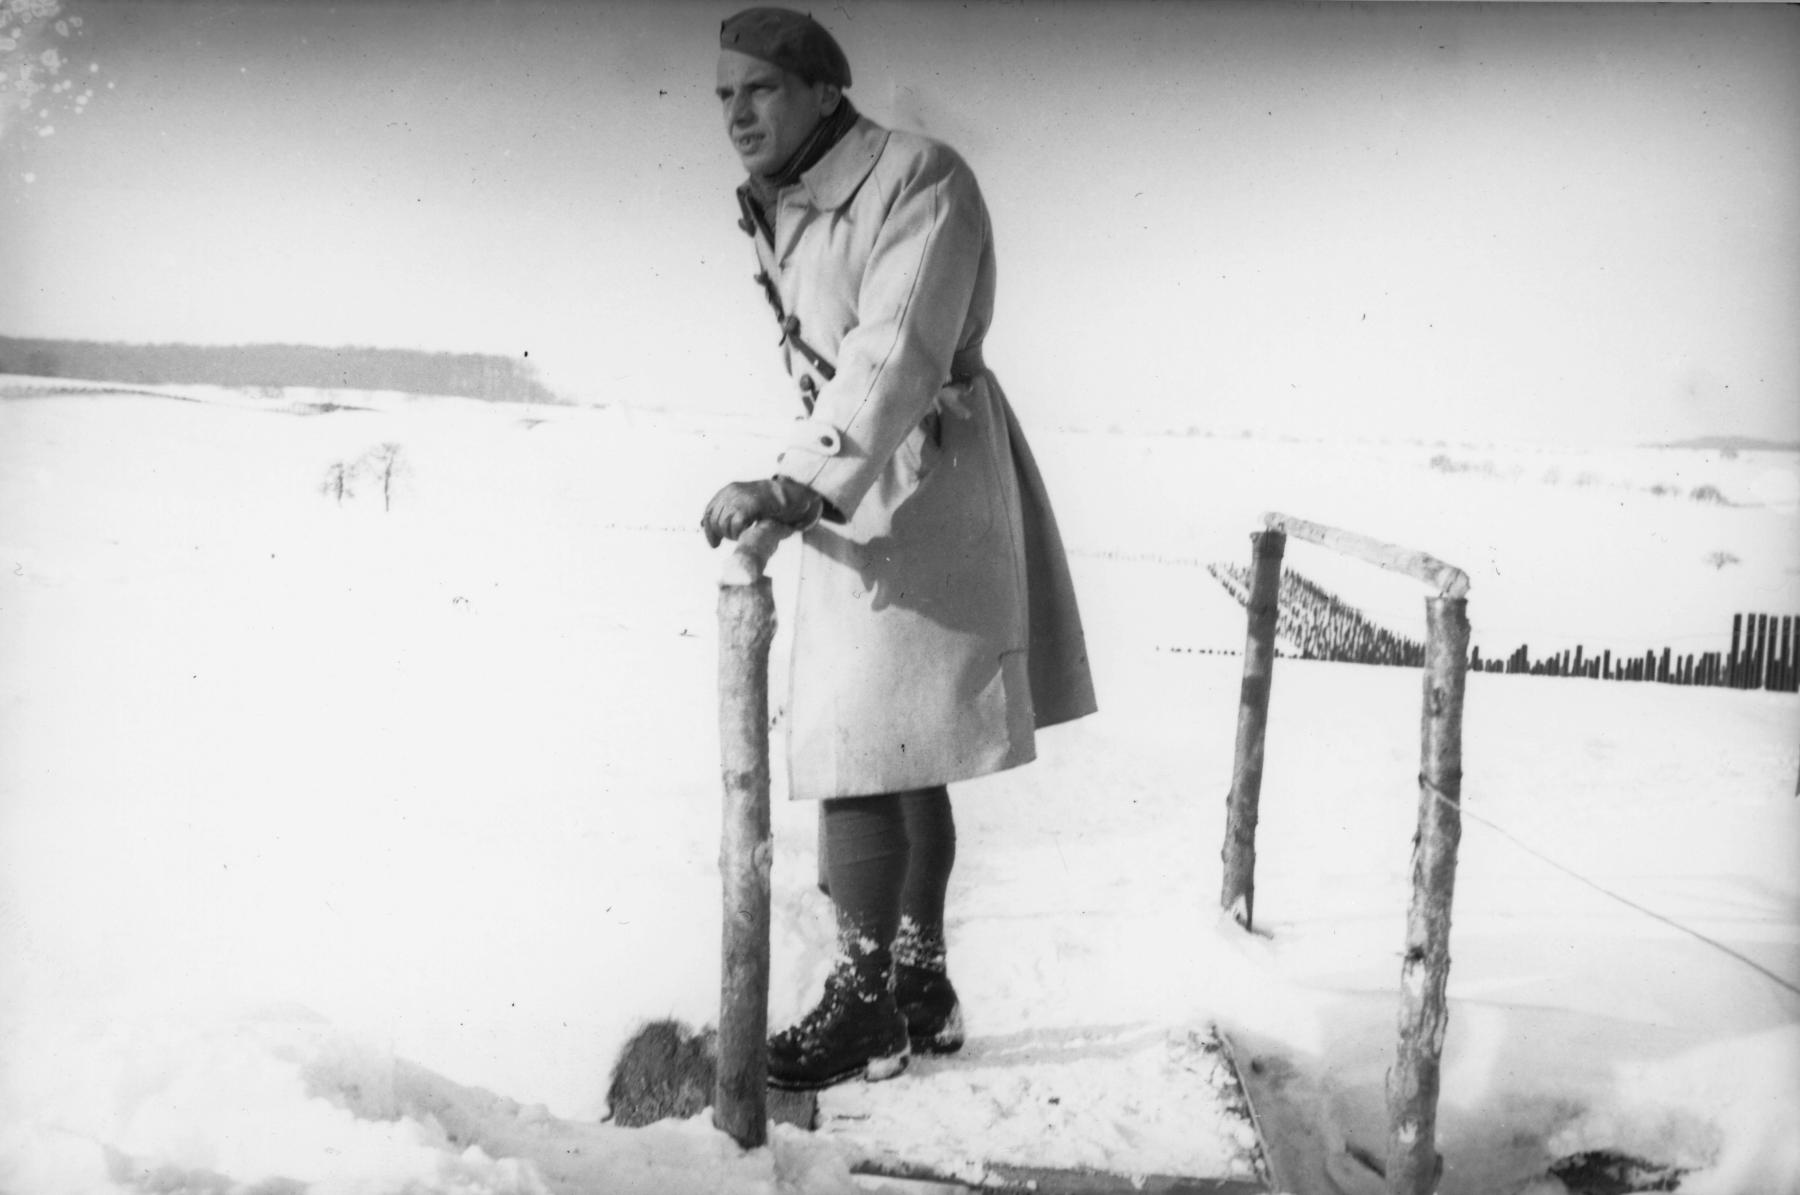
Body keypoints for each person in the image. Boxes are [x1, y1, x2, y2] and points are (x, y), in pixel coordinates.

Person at [702, 6, 1097, 1092]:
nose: (737, 115)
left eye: (760, 90)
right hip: (870, 479)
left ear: (825, 92)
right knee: (904, 740)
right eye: (725, 95)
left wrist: (798, 481)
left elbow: (896, 349)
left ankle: (866, 1003)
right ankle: (916, 982)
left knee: (861, 742)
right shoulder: (791, 193)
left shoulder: (921, 179)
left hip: (922, 478)